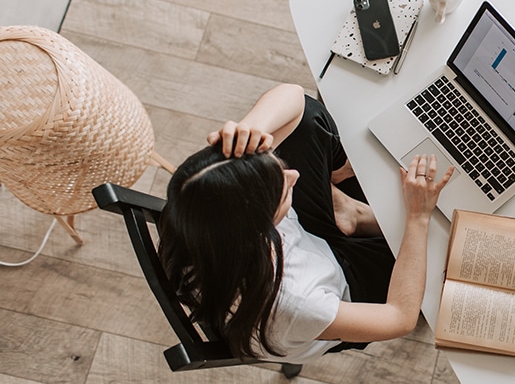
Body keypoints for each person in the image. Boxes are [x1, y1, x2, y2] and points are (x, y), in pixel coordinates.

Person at [157, 83, 454, 363]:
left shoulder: (197, 207)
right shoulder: (297, 304)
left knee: (309, 118)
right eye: (281, 188)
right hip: (344, 287)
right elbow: (399, 317)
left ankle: (347, 212)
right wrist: (417, 216)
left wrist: (252, 128)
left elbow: (295, 99)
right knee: (441, 252)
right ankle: (351, 213)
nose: (294, 176)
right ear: (261, 228)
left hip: (304, 246)